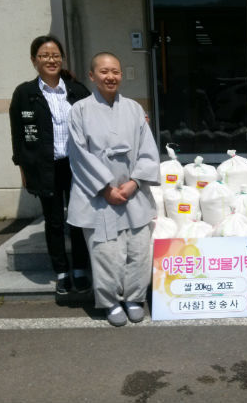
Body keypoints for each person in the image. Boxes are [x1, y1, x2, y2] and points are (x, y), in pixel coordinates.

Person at [67, 52, 160, 327]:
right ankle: (110, 302)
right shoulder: (79, 110)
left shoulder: (134, 109)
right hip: (98, 194)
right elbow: (79, 155)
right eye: (104, 72)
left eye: (116, 72)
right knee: (106, 253)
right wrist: (105, 188)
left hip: (133, 191)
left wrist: (134, 182)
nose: (111, 77)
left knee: (138, 250)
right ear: (92, 76)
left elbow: (148, 149)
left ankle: (134, 297)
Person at [9, 35, 91, 295]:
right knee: (54, 221)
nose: (51, 60)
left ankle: (80, 269)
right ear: (34, 60)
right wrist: (23, 170)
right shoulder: (25, 94)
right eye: (44, 56)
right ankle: (62, 272)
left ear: (62, 58)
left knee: (78, 218)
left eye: (55, 55)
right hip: (46, 167)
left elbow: (97, 122)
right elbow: (18, 136)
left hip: (76, 166)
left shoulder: (77, 90)